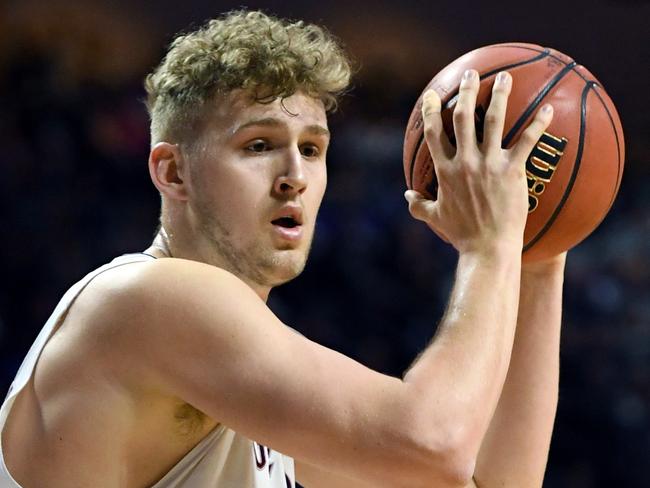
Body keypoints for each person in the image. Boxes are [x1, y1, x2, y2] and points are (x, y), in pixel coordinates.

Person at [0, 9, 566, 488]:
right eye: (260, 145)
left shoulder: (244, 386)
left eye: (313, 149)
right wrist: (489, 246)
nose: (294, 174)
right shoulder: (147, 299)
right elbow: (433, 441)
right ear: (173, 172)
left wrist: (539, 256)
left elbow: (486, 481)